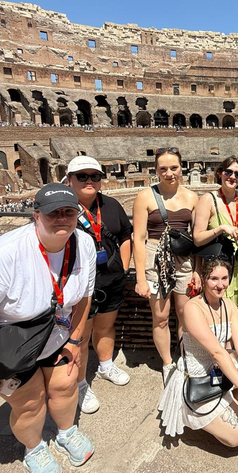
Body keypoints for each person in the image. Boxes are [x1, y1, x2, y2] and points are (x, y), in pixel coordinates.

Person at [0, 184, 96, 473]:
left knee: (65, 385)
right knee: (30, 403)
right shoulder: (1, 257)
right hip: (6, 344)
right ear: (36, 216)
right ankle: (34, 449)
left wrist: (75, 340)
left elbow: (84, 298)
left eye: (68, 211)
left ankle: (66, 432)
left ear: (77, 214)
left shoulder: (83, 244)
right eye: (52, 212)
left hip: (54, 333)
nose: (61, 218)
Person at [158, 256, 238, 446]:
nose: (220, 285)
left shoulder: (229, 306)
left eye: (224, 278)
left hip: (218, 369)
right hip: (199, 377)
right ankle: (207, 416)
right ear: (204, 278)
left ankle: (231, 401)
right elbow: (218, 352)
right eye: (214, 279)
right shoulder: (193, 308)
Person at [64, 156, 132, 415]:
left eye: (95, 176)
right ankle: (80, 384)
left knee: (105, 326)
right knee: (79, 335)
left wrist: (124, 267)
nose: (90, 181)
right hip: (79, 286)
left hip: (111, 280)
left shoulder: (111, 205)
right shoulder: (64, 207)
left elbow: (126, 234)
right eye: (82, 176)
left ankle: (105, 366)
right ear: (70, 179)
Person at [133, 147, 200, 382]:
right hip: (154, 258)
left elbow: (198, 236)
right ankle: (167, 363)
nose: (169, 173)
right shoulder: (145, 197)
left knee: (185, 314)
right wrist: (140, 277)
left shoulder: (192, 197)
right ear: (156, 171)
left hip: (183, 261)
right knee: (160, 316)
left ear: (182, 168)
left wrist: (198, 270)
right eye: (163, 169)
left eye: (174, 167)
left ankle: (184, 357)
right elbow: (139, 239)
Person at [193, 156, 238, 309]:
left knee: (236, 310)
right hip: (219, 264)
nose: (232, 177)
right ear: (220, 173)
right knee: (217, 310)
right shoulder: (208, 199)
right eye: (228, 172)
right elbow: (197, 239)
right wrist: (220, 229)